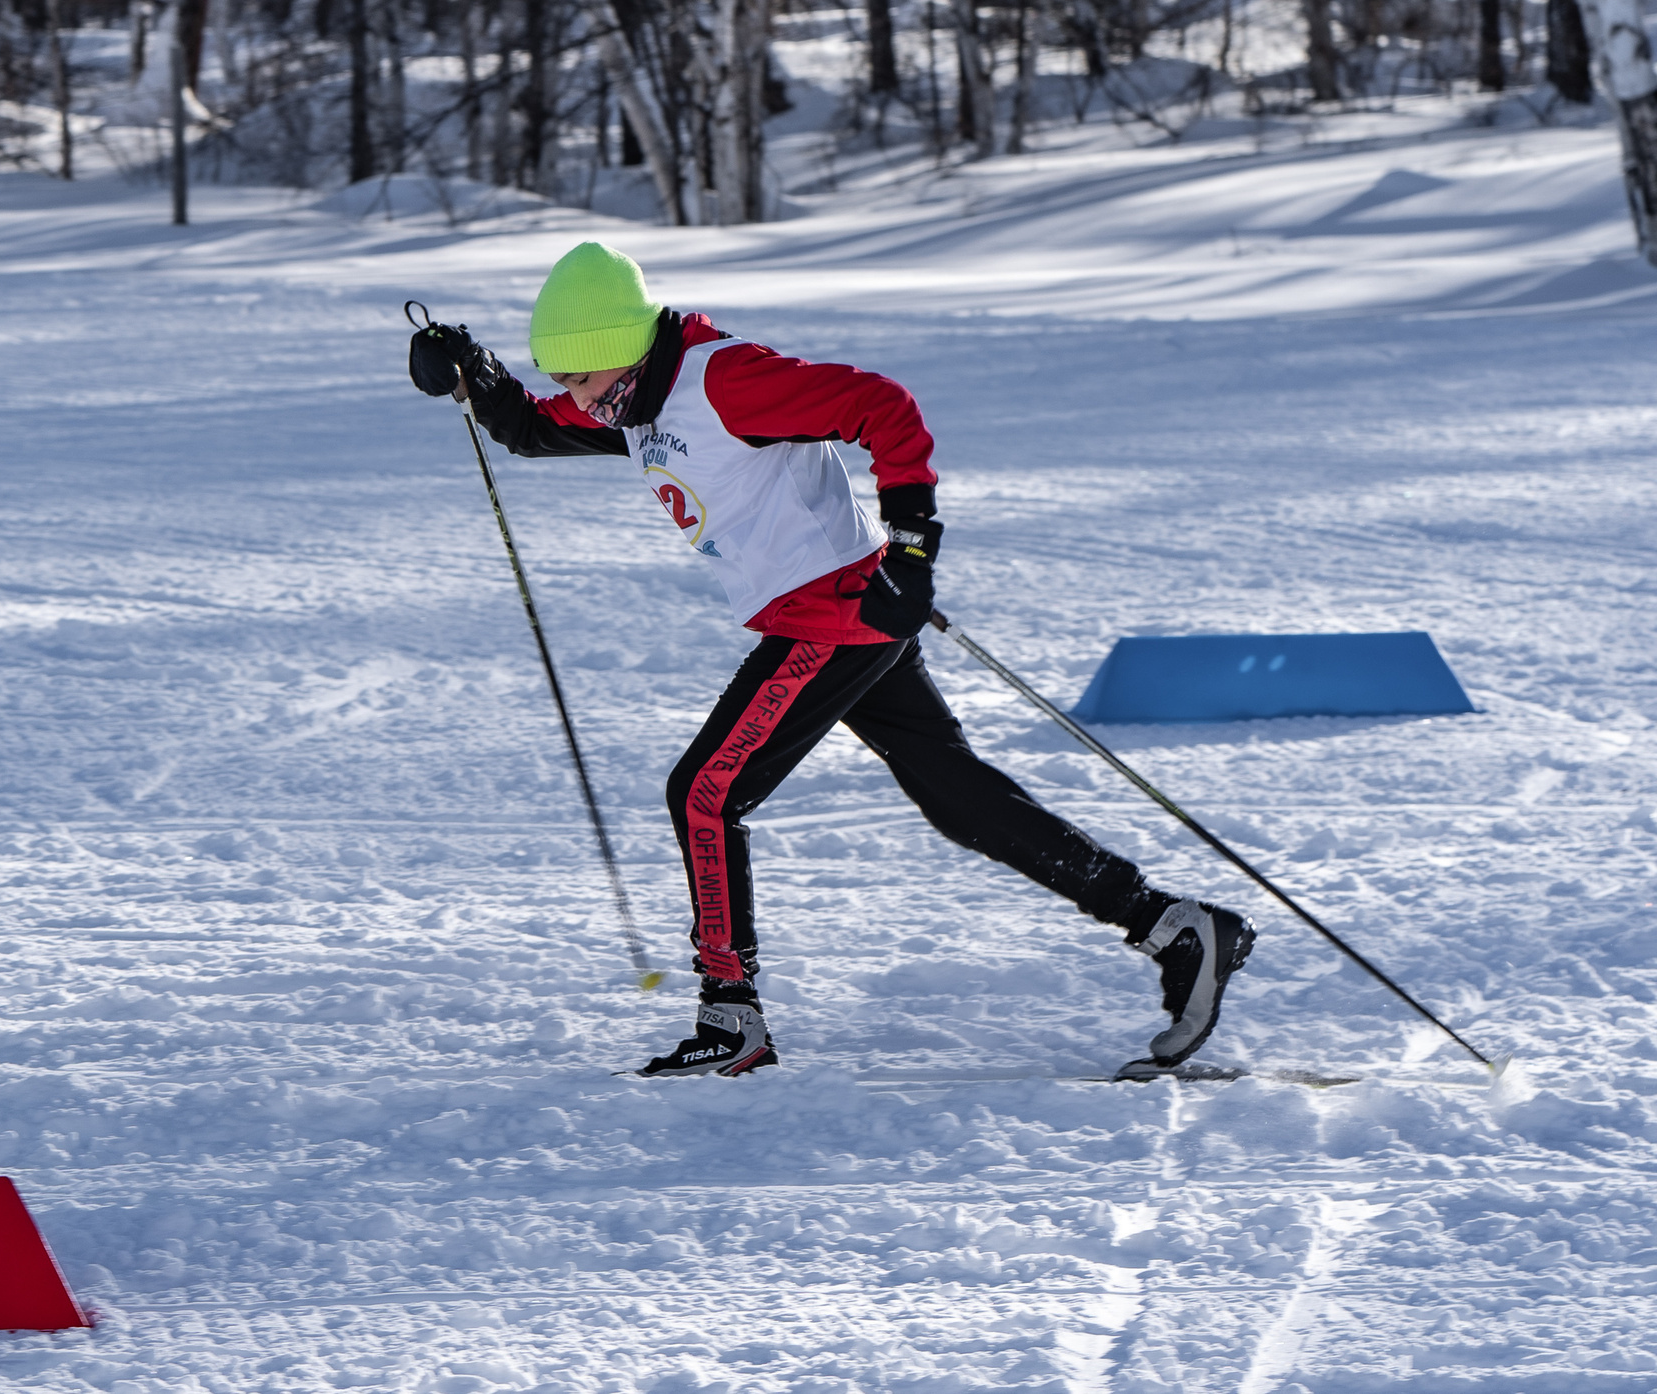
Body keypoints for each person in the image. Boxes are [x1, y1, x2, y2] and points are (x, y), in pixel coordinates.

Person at [407, 241, 1255, 1077]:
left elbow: (882, 407)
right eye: (563, 382)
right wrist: (469, 367)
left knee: (705, 792)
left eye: (578, 379)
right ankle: (1172, 925)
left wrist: (913, 552)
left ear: (617, 353)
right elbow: (526, 427)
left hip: (838, 614)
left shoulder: (725, 381)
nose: (573, 399)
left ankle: (729, 1015)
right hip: (823, 616)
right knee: (956, 796)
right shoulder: (628, 403)